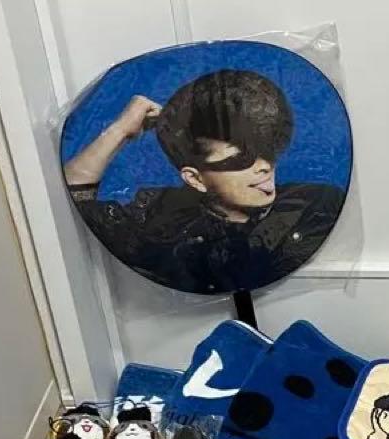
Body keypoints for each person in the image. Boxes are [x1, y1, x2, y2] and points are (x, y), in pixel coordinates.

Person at [63, 69, 346, 294]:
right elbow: (73, 196)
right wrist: (120, 130)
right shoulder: (160, 220)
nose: (265, 166)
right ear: (195, 179)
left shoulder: (313, 205)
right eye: (240, 158)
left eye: (267, 149)